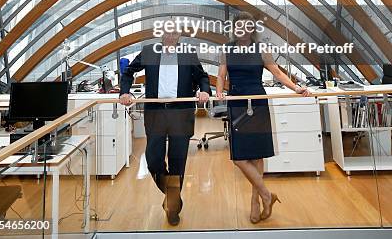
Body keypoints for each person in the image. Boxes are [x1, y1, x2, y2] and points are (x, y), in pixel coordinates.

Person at [216, 11, 310, 224]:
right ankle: (267, 194)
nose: (243, 29)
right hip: (237, 104)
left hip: (257, 103)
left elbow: (277, 73)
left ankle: (255, 201)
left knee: (257, 155)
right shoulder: (226, 50)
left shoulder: (261, 49)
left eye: (247, 26)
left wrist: (296, 87)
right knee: (240, 158)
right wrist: (220, 92)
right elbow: (221, 76)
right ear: (234, 29)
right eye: (239, 26)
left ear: (252, 29)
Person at [119, 29, 211, 225]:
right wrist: (124, 92)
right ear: (161, 34)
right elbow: (128, 72)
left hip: (181, 112)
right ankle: (173, 197)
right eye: (167, 33)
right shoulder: (149, 51)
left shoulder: (188, 53)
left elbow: (202, 76)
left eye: (174, 33)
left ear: (179, 36)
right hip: (156, 112)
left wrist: (204, 91)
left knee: (178, 162)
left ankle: (172, 207)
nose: (171, 36)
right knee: (153, 160)